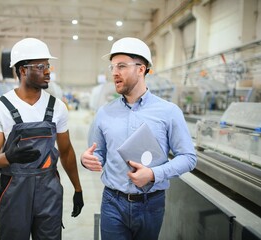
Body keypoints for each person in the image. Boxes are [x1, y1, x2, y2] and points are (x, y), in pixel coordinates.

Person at [81, 37, 197, 240]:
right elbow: (97, 153)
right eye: (112, 67)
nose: (114, 73)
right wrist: (87, 159)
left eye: (122, 66)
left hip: (150, 205)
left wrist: (153, 174)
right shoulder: (104, 113)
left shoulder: (168, 112)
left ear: (141, 69)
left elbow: (188, 157)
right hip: (112, 202)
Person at [0, 38, 84, 240]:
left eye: (48, 66)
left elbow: (66, 152)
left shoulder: (57, 107)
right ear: (22, 70)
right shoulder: (1, 108)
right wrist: (8, 157)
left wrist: (78, 188)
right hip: (14, 188)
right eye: (41, 66)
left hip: (48, 189)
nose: (48, 71)